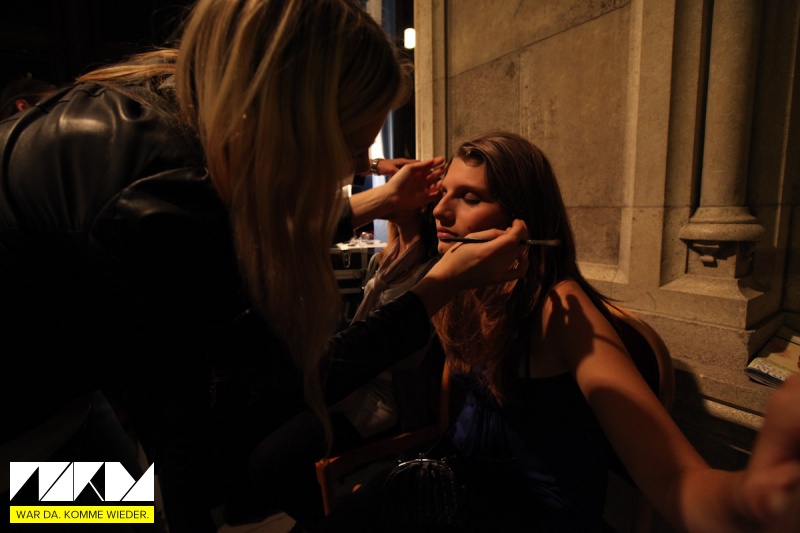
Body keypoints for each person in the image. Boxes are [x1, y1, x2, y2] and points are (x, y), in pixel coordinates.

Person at [0, 1, 529, 531]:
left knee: (143, 507)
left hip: (68, 400)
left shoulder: (163, 114)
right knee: (120, 516)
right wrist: (440, 284)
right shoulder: (159, 196)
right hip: (21, 436)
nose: (354, 168)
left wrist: (377, 203)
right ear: (288, 122)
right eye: (351, 146)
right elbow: (273, 385)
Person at [319, 132, 800, 532]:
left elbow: (674, 479)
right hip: (460, 483)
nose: (441, 211)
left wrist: (747, 502)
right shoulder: (462, 288)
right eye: (443, 193)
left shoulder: (559, 310)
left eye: (470, 197)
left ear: (522, 220)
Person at [248, 201, 442, 529]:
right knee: (266, 415)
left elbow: (411, 355)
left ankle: (331, 519)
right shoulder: (384, 258)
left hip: (387, 396)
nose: (390, 194)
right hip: (356, 379)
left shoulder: (432, 268)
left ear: (423, 206)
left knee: (269, 462)